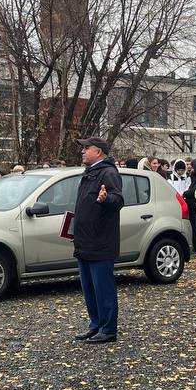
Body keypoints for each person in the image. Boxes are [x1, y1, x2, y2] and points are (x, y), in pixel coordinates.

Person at [71, 138, 124, 344]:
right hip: (85, 241)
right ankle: (96, 325)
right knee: (90, 289)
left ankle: (108, 329)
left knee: (103, 288)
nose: (82, 151)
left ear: (99, 152)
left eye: (87, 148)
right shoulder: (90, 172)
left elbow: (117, 200)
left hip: (100, 241)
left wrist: (106, 199)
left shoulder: (108, 172)